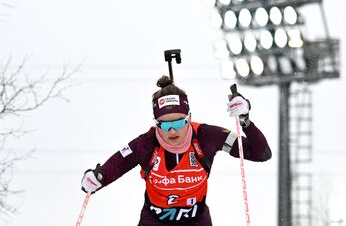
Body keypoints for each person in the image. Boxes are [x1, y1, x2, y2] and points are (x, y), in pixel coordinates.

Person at [80, 75, 272, 225]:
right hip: (154, 222)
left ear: (189, 117)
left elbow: (261, 154)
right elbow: (116, 164)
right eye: (164, 125)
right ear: (156, 124)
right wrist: (96, 178)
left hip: (197, 221)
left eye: (179, 122)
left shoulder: (206, 136)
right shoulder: (146, 143)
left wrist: (246, 120)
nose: (172, 131)